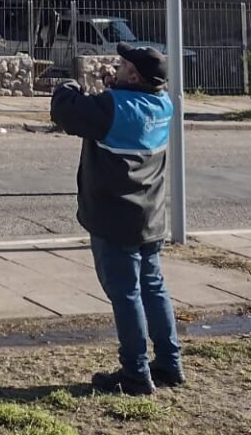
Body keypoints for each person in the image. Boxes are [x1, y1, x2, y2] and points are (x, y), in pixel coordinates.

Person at [50, 43, 183, 396]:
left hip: (114, 217)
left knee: (125, 295)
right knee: (153, 288)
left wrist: (72, 84)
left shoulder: (113, 106)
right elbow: (121, 109)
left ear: (134, 76)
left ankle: (135, 372)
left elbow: (66, 111)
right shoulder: (163, 104)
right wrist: (113, 86)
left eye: (122, 65)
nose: (116, 66)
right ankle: (169, 362)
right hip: (150, 217)